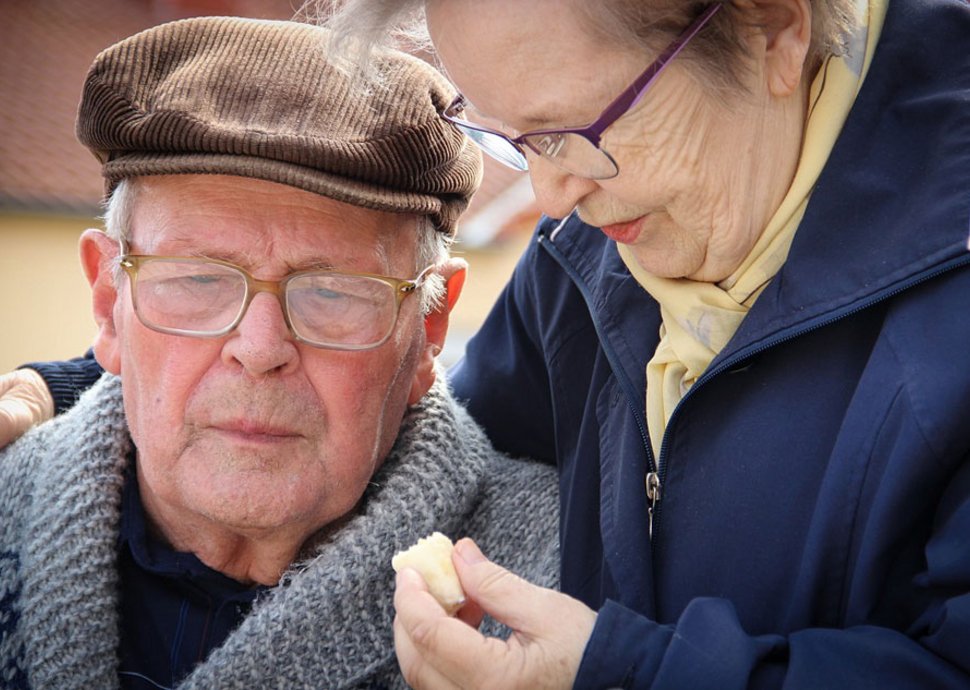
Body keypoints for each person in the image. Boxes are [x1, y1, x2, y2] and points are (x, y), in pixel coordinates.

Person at [4, 0, 970, 687]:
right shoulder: (594, 247)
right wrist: (75, 394)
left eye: (575, 128)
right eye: (519, 142)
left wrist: (619, 677)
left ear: (772, 26)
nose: (549, 206)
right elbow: (399, 400)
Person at [0, 16, 560, 690]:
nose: (260, 349)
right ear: (107, 299)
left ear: (427, 332)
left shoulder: (559, 584)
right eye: (199, 279)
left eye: (332, 292)